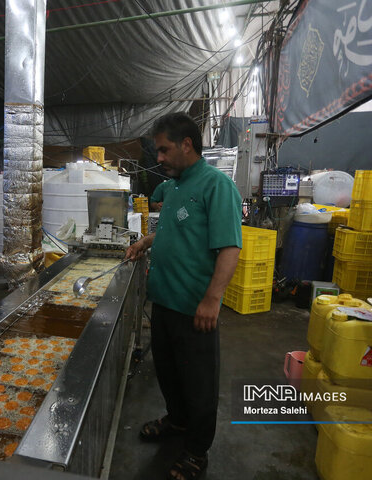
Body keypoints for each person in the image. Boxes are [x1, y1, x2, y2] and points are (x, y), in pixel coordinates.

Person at [125, 112, 242, 480]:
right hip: (164, 302)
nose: (158, 157)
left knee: (199, 385)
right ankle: (176, 422)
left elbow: (229, 248)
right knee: (170, 374)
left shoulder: (215, 186)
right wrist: (148, 239)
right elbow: (179, 233)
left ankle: (196, 451)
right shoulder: (175, 187)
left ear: (187, 144)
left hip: (195, 308)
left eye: (164, 149)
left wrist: (212, 300)